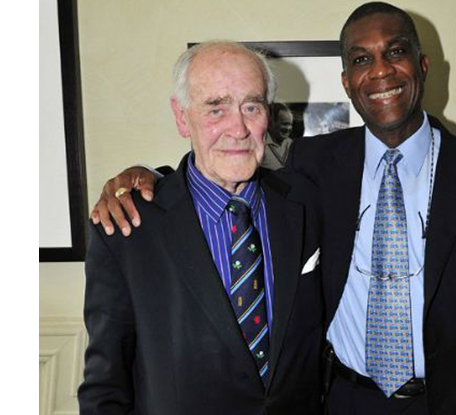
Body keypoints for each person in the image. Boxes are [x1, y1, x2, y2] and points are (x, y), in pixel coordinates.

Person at [90, 3, 456, 414]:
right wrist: (145, 174)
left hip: (447, 402)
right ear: (347, 81)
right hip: (340, 399)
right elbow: (211, 181)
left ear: (422, 65)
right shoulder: (313, 166)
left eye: (396, 52)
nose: (381, 72)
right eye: (361, 59)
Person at [79, 41, 324, 415]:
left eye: (251, 106)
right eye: (216, 107)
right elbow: (105, 389)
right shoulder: (127, 228)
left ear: (268, 117)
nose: (238, 128)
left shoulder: (307, 203)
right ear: (181, 117)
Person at [261, 102, 294, 170]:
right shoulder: (260, 146)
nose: (288, 128)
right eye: (285, 124)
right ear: (271, 123)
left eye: (290, 125)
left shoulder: (292, 145)